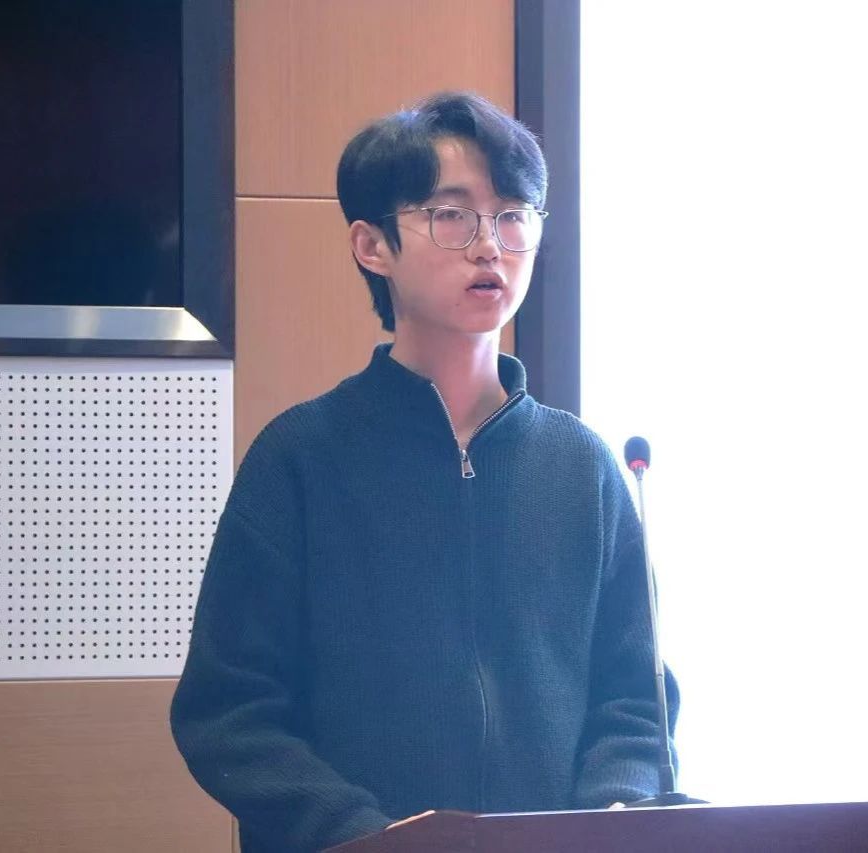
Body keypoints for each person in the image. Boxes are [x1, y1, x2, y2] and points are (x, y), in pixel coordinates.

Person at [170, 91, 677, 853]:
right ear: (372, 245)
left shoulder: (583, 466)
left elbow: (635, 700)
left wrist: (610, 810)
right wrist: (363, 835)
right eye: (452, 215)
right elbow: (229, 711)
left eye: (513, 215)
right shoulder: (300, 458)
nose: (490, 245)